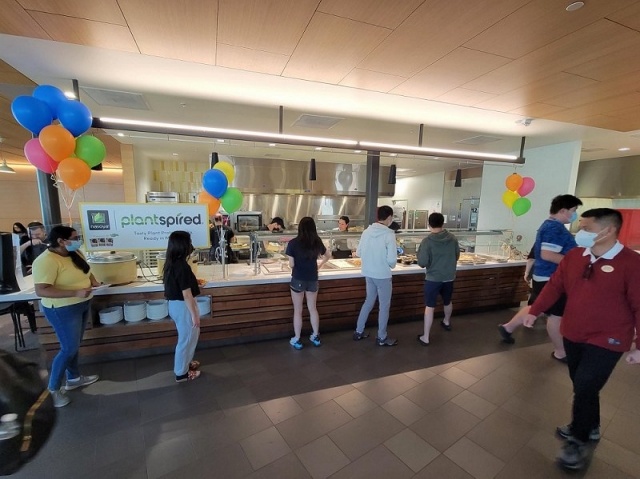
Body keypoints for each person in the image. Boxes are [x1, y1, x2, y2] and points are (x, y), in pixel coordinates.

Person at [517, 208, 640, 470]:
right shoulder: (574, 257)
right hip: (573, 333)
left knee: (585, 384)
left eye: (586, 229)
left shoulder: (631, 263)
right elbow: (554, 287)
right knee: (582, 384)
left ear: (608, 231)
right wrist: (535, 310)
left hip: (610, 338)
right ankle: (591, 425)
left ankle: (578, 440)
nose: (579, 233)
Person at [501, 194, 582, 362]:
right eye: (574, 210)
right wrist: (574, 263)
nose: (575, 214)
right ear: (563, 210)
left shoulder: (548, 225)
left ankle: (508, 328)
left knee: (537, 307)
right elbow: (547, 254)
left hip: (542, 276)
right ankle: (561, 352)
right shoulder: (555, 228)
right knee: (555, 316)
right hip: (551, 278)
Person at [32, 226, 101, 408]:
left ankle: (74, 378)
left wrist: (93, 281)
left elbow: (86, 270)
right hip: (62, 309)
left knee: (74, 345)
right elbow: (42, 290)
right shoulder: (45, 261)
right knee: (68, 348)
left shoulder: (75, 253)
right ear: (61, 241)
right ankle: (53, 389)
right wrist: (75, 292)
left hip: (82, 304)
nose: (78, 240)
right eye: (74, 237)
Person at [353, 205, 398, 346]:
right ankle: (382, 337)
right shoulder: (389, 234)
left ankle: (359, 331)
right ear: (389, 218)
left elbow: (359, 252)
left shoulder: (366, 232)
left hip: (368, 273)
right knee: (384, 306)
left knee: (368, 301)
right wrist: (390, 264)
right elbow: (391, 260)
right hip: (382, 275)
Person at [285, 217, 330, 350]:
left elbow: (292, 264)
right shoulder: (316, 241)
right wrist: (319, 265)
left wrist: (288, 266)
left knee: (298, 310)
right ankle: (315, 336)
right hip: (312, 279)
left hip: (298, 279)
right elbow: (328, 255)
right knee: (312, 308)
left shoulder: (293, 243)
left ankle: (297, 339)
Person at [163, 231, 202, 382]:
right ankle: (181, 374)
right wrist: (194, 315)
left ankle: (186, 364)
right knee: (186, 340)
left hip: (177, 306)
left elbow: (180, 284)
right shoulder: (181, 266)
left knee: (190, 337)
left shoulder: (172, 262)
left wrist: (194, 282)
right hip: (183, 306)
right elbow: (186, 294)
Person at [416, 212, 460, 345]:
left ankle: (426, 337)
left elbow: (422, 262)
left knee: (430, 306)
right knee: (447, 301)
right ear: (442, 223)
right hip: (448, 276)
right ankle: (446, 321)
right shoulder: (452, 238)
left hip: (433, 278)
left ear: (429, 225)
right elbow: (457, 256)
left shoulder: (427, 241)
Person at [497, 246, 535, 344]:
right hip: (547, 277)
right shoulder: (554, 235)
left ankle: (509, 327)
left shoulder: (543, 236)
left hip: (541, 276)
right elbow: (532, 258)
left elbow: (531, 258)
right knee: (539, 306)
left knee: (539, 305)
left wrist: (527, 273)